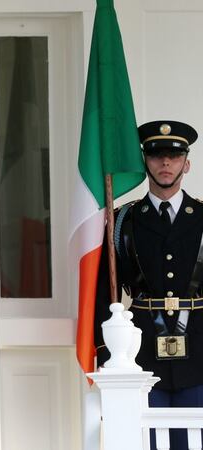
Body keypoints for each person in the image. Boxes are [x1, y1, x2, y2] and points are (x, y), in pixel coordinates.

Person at [95, 120, 203, 450]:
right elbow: (103, 291)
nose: (165, 163)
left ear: (187, 162)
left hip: (200, 350)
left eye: (173, 155)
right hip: (137, 354)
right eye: (156, 156)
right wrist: (104, 351)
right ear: (145, 161)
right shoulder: (123, 220)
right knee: (145, 442)